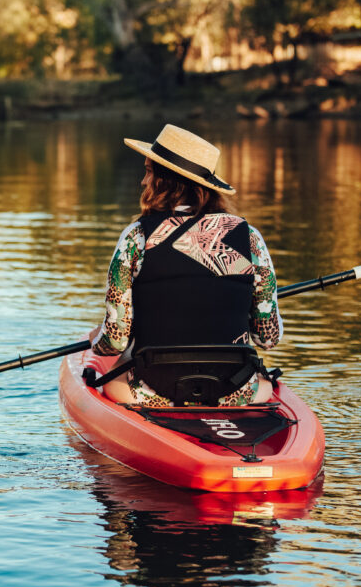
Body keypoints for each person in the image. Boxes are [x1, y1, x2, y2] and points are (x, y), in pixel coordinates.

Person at [86, 124, 283, 407]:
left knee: (116, 376)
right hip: (235, 390)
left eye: (149, 172)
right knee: (264, 385)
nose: (143, 181)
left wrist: (97, 341)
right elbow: (267, 338)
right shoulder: (250, 238)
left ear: (167, 181)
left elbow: (116, 341)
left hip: (154, 389)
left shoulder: (137, 237)